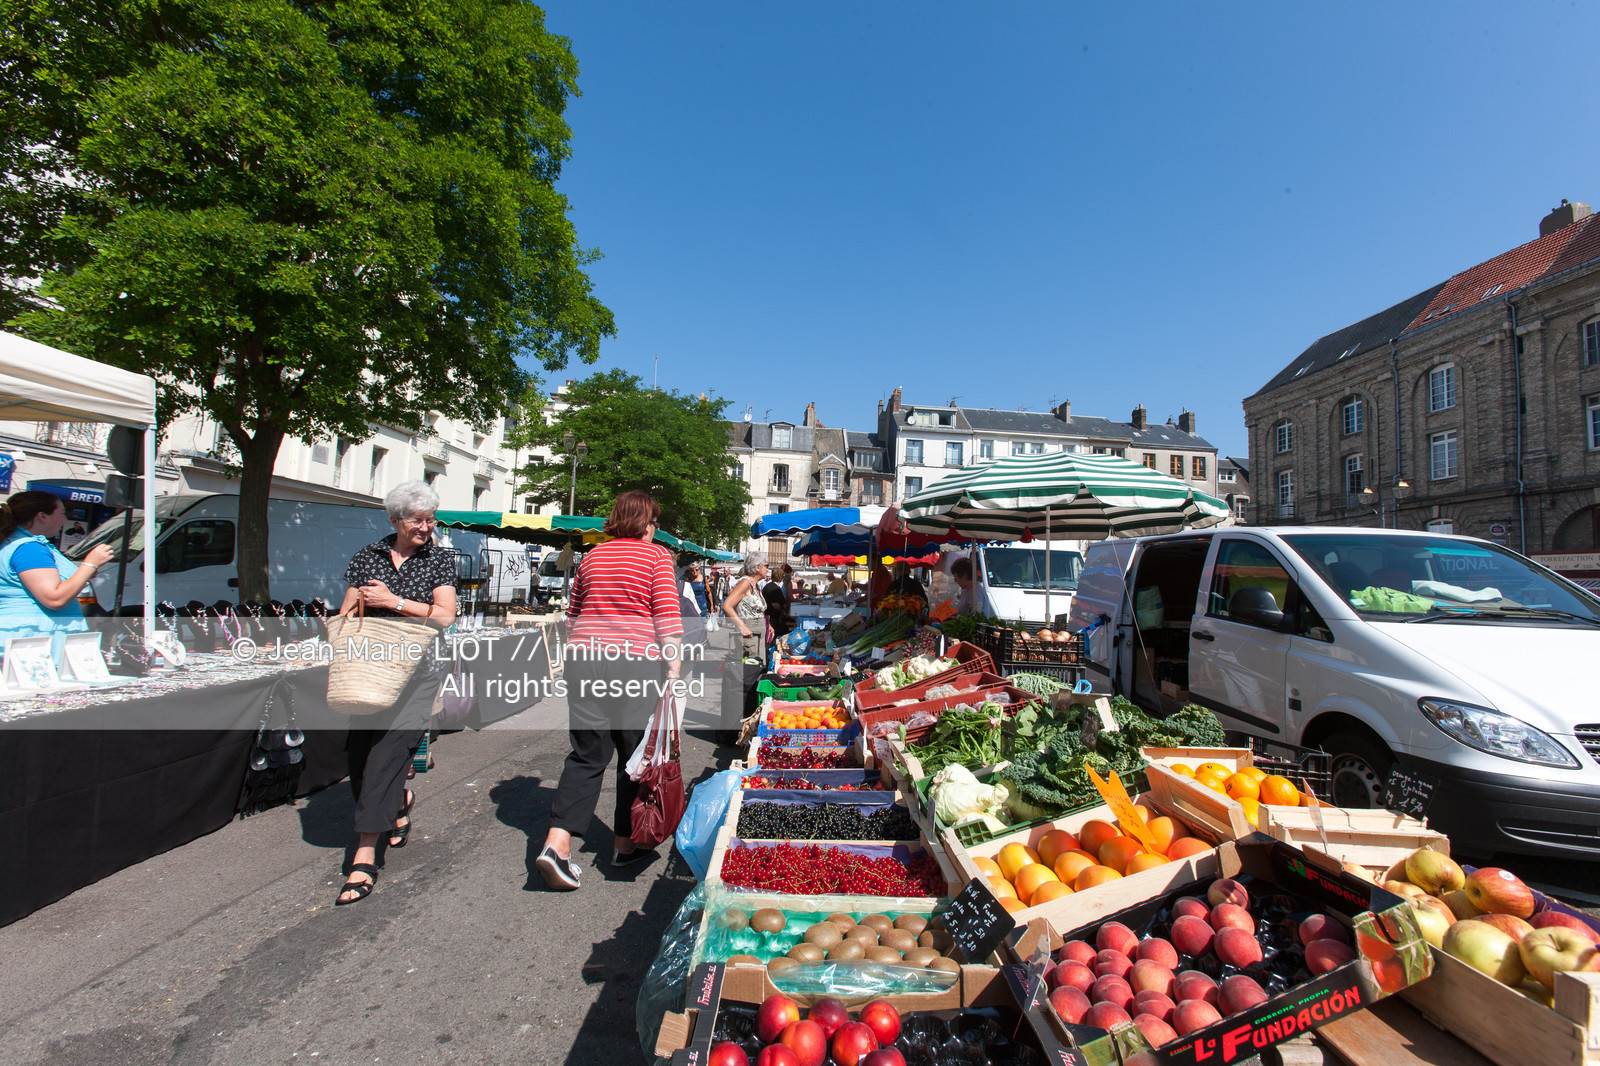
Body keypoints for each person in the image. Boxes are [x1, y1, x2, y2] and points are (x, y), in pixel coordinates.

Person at [537, 491, 682, 891]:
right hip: (633, 661)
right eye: (653, 521)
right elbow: (666, 615)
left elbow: (573, 615)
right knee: (634, 754)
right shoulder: (656, 558)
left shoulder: (592, 557)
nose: (655, 529)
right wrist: (673, 665)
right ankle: (624, 844)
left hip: (584, 658)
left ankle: (557, 844)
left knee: (586, 754)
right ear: (646, 523)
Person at [333, 481, 457, 906]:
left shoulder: (438, 560)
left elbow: (445, 616)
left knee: (387, 756)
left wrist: (394, 600)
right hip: (368, 671)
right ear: (394, 520)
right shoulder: (367, 556)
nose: (426, 526)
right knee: (360, 757)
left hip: (419, 674)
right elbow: (345, 613)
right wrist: (354, 609)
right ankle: (400, 801)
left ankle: (365, 855)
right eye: (417, 519)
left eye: (430, 518)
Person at [0, 491, 116, 644]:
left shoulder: (20, 543)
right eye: (62, 513)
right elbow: (54, 598)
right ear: (42, 516)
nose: (65, 519)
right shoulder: (29, 548)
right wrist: (90, 563)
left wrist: (82, 574)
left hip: (32, 635)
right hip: (33, 638)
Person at [722, 551, 771, 662]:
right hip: (750, 632)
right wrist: (742, 626)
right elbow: (727, 606)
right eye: (766, 566)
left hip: (757, 633)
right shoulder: (745, 583)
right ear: (758, 567)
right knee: (751, 667)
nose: (768, 569)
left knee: (758, 666)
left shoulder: (756, 585)